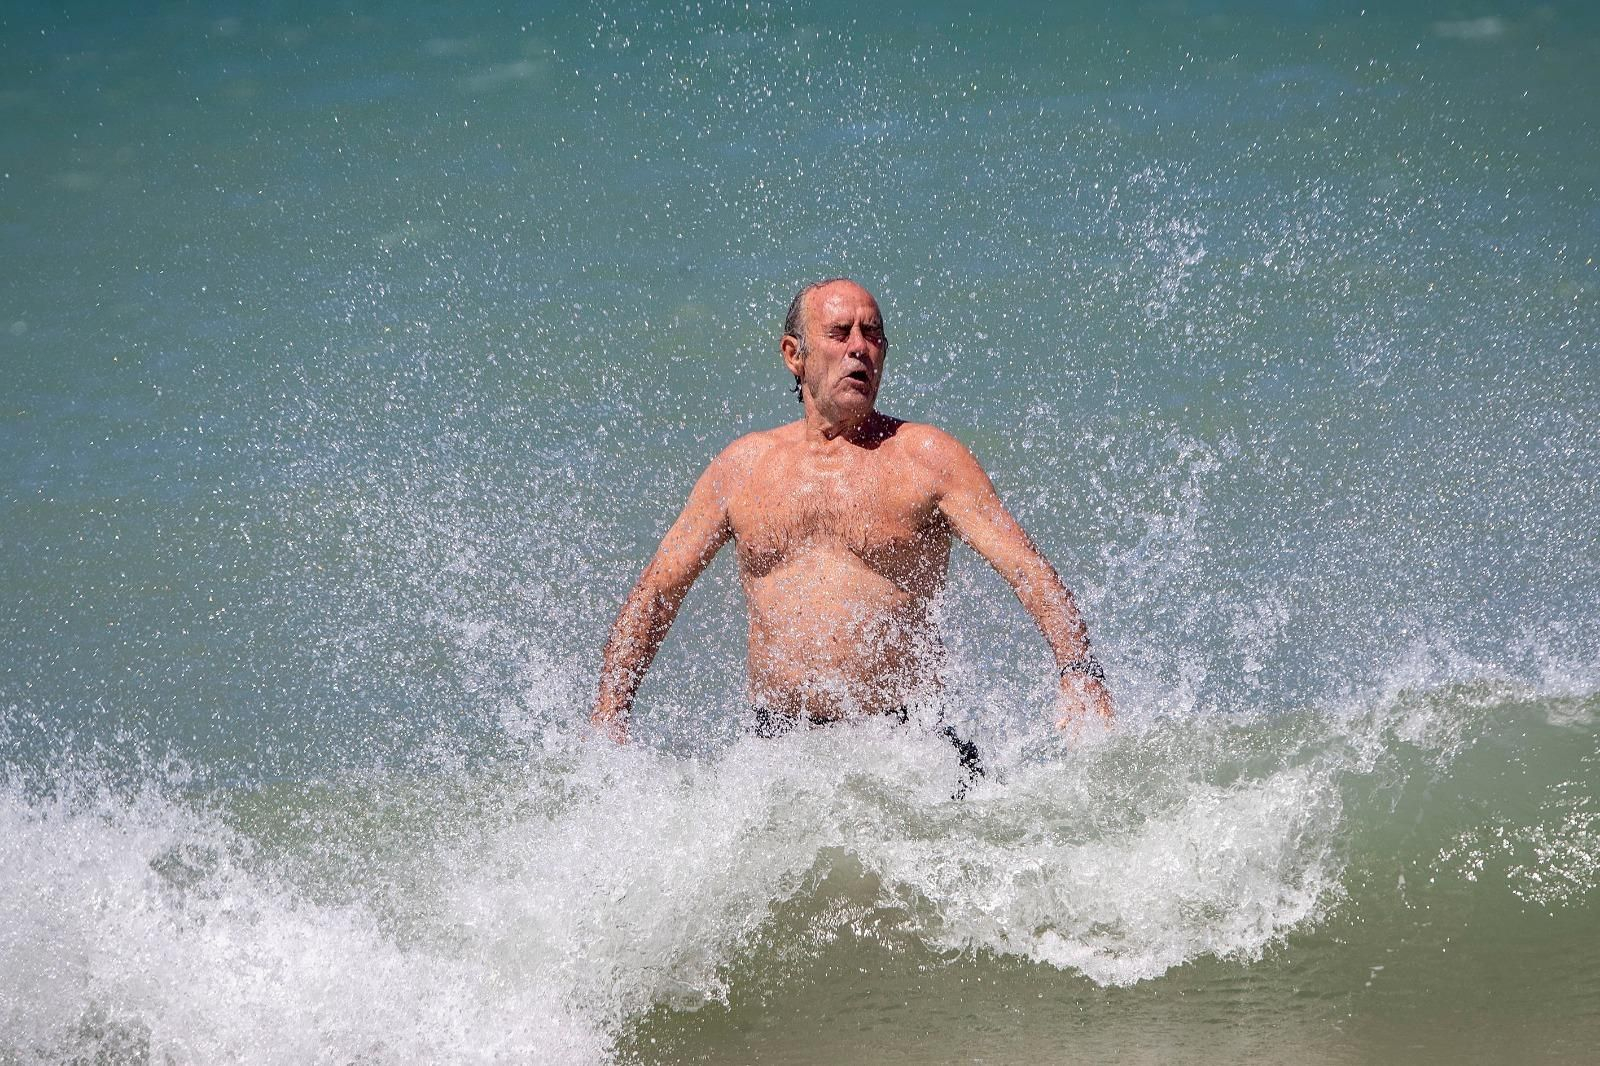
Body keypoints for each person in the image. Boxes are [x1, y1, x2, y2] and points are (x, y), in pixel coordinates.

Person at [591, 278, 1112, 759]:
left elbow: (1026, 567)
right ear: (795, 355)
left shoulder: (928, 458)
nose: (860, 347)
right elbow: (659, 592)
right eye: (840, 333)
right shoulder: (743, 468)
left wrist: (1079, 673)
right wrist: (611, 712)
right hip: (780, 748)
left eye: (873, 335)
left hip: (907, 745)